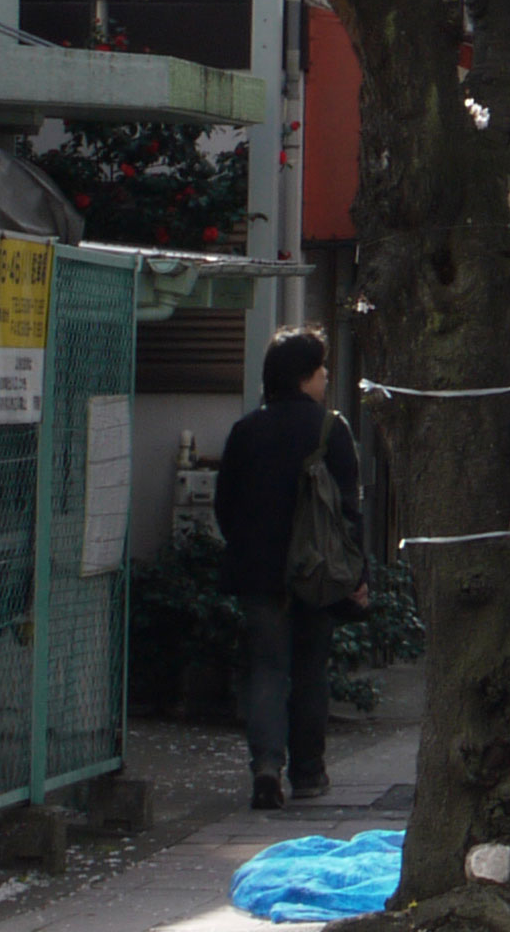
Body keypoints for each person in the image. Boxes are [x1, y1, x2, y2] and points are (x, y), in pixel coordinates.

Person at [216, 327, 366, 814]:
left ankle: (265, 767)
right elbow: (349, 512)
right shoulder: (331, 429)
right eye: (321, 370)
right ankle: (307, 773)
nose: (326, 378)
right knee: (309, 672)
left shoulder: (247, 430)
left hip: (258, 571)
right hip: (317, 573)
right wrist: (359, 574)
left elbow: (225, 506)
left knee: (266, 668)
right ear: (305, 376)